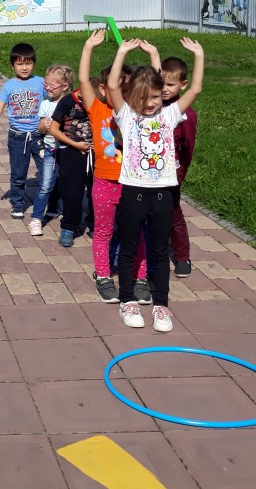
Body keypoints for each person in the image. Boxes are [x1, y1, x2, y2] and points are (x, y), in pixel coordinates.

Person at [107, 37, 204, 332]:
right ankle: (127, 300)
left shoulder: (170, 114)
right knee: (129, 248)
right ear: (132, 98)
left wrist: (198, 55)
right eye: (144, 99)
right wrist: (122, 52)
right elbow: (112, 86)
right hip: (133, 193)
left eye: (155, 98)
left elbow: (195, 89)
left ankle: (161, 305)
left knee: (160, 251)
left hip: (163, 193)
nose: (150, 104)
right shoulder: (126, 115)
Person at [76, 31, 150, 303]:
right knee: (103, 231)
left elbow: (153, 84)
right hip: (104, 183)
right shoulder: (96, 108)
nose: (120, 93)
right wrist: (88, 47)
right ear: (103, 89)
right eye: (114, 88)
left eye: (125, 89)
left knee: (137, 232)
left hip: (133, 184)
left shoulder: (137, 113)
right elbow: (83, 79)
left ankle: (140, 278)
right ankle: (104, 276)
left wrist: (152, 55)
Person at [0, 42, 46, 219]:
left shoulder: (41, 82)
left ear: (34, 63)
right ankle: (17, 203)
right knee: (18, 174)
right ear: (12, 66)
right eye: (20, 64)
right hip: (17, 137)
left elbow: (56, 101)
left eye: (28, 63)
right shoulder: (9, 86)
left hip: (40, 136)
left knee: (49, 172)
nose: (24, 67)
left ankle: (53, 203)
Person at [47, 68, 95, 249]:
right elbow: (53, 129)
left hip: (95, 154)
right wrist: (75, 144)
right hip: (71, 152)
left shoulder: (98, 100)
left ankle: (95, 223)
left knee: (96, 191)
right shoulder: (67, 102)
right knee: (72, 192)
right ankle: (68, 227)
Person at [161, 56, 198, 278]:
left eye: (170, 84)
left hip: (172, 174)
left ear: (183, 85)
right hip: (149, 173)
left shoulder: (186, 114)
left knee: (174, 214)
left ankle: (182, 256)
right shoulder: (151, 106)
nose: (165, 89)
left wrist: (180, 173)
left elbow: (187, 149)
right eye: (162, 83)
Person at [30, 64, 73, 237]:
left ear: (65, 86)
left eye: (52, 85)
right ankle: (36, 218)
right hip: (50, 150)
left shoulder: (71, 104)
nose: (47, 88)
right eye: (46, 84)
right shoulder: (45, 104)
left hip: (68, 151)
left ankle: (63, 213)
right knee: (46, 184)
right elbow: (40, 128)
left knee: (67, 185)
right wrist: (44, 126)